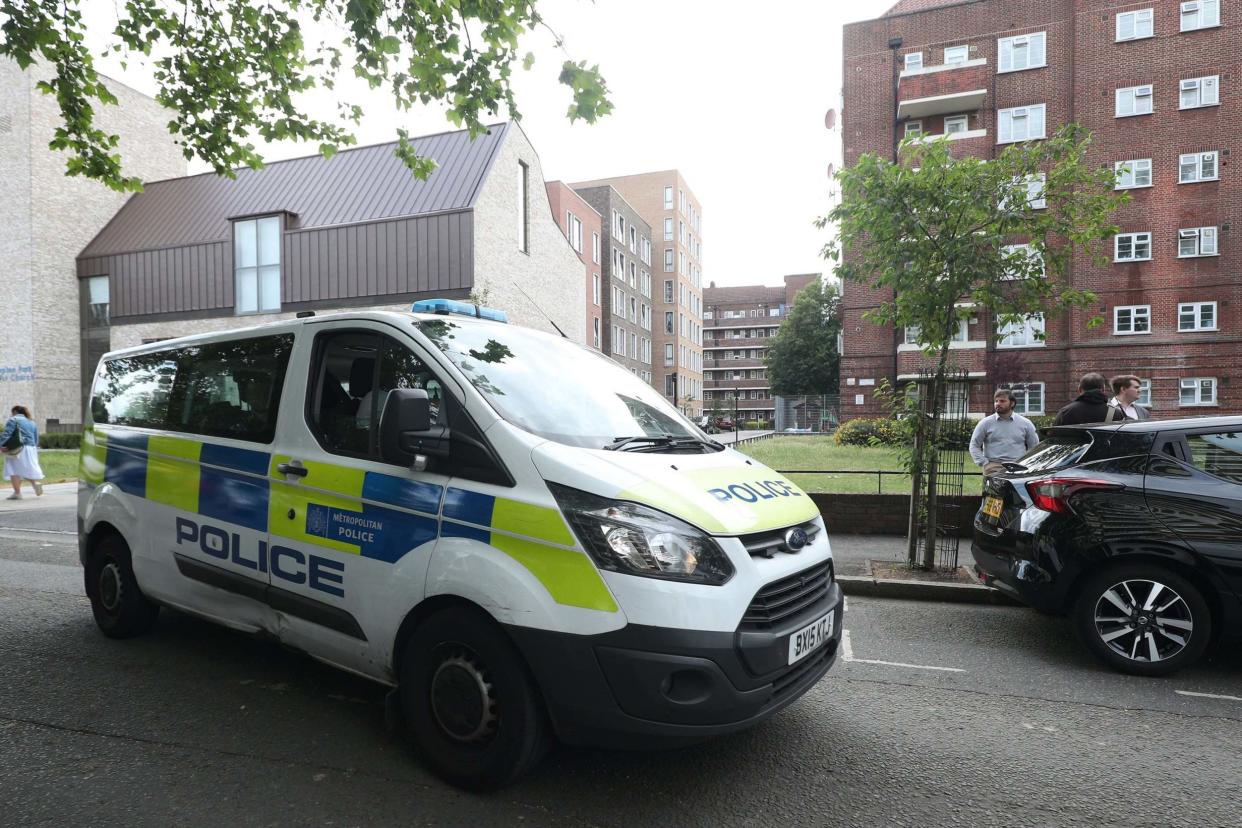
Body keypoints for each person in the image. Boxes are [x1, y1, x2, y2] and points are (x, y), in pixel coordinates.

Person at [970, 389, 1040, 476]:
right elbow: (974, 445)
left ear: (1012, 403)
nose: (998, 404)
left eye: (1002, 401)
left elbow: (1034, 447)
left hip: (1018, 467)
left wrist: (1027, 463)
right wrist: (984, 463)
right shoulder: (985, 423)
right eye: (996, 401)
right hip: (993, 467)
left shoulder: (1026, 423)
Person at [1, 405, 45, 500]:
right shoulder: (32, 422)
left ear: (15, 412)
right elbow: (36, 438)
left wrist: (1, 445)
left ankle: (17, 493)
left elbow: (6, 435)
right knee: (25, 468)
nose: (11, 415)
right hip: (31, 448)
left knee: (13, 469)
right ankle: (34, 483)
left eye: (12, 412)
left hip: (18, 448)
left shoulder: (13, 420)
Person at [1054, 372, 1120, 425]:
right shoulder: (1116, 414)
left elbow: (1054, 438)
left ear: (1079, 389)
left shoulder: (1065, 413)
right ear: (1103, 390)